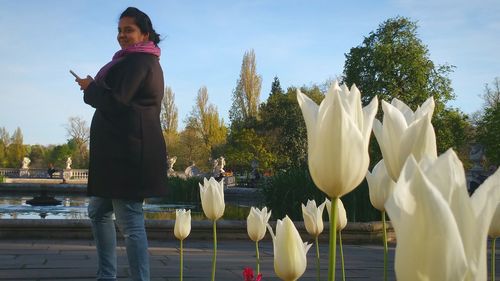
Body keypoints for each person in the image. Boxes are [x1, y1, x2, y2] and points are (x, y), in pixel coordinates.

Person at [74, 7, 168, 281]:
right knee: (98, 211)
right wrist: (93, 88)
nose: (122, 36)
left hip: (128, 155)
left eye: (129, 30)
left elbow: (116, 102)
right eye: (119, 30)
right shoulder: (136, 61)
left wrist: (91, 88)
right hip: (116, 156)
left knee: (130, 221)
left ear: (144, 34)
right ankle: (106, 275)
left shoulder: (139, 62)